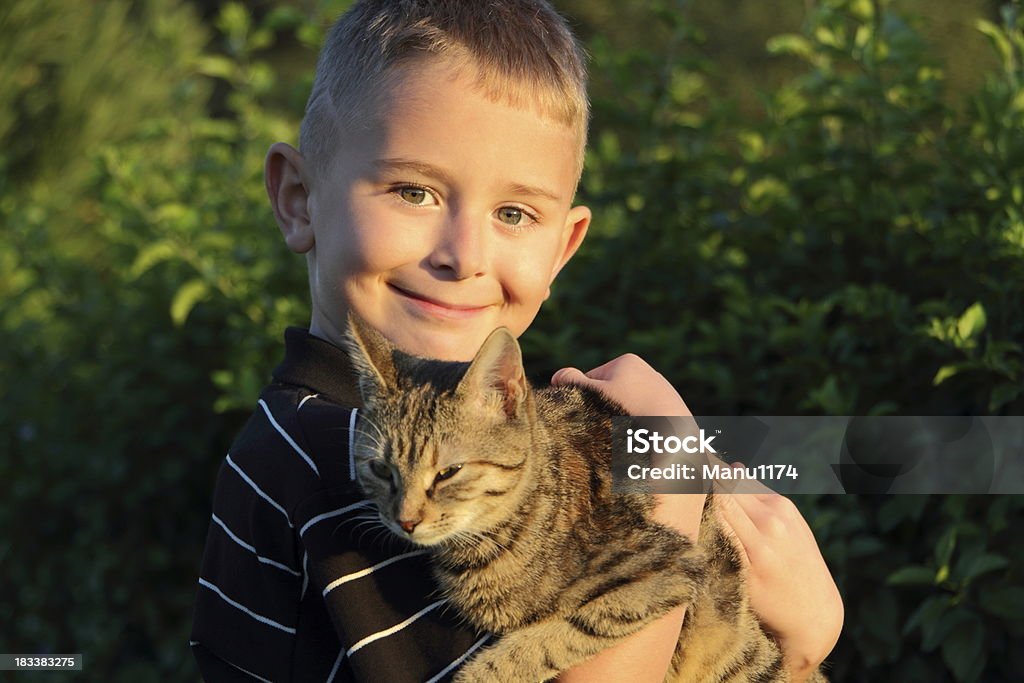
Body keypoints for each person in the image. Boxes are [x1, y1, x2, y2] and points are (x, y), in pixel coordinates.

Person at [190, 1, 843, 680]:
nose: (464, 255)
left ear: (562, 248)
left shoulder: (331, 430)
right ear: (298, 197)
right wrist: (669, 470)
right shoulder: (356, 467)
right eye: (413, 191)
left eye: (513, 212)